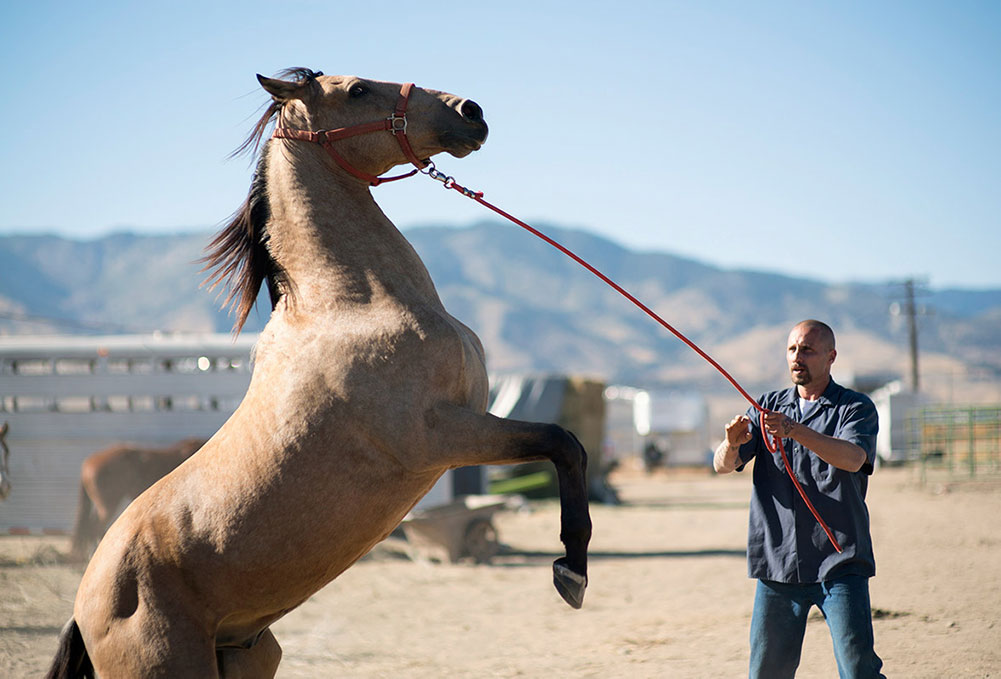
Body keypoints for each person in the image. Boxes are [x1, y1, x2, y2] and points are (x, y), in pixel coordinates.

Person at [714, 320, 884, 679]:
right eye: (792, 349)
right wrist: (730, 443)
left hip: (839, 563)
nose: (797, 357)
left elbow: (854, 458)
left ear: (830, 356)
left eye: (807, 349)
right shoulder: (765, 407)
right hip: (778, 565)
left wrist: (794, 430)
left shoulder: (855, 408)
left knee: (858, 670)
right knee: (766, 673)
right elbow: (722, 466)